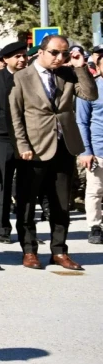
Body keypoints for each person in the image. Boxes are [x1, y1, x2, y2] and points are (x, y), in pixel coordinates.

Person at [9, 35, 98, 270]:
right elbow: (16, 115)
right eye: (55, 53)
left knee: (61, 203)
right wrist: (22, 145)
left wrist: (80, 68)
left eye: (65, 54)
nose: (60, 58)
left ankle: (59, 251)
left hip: (64, 147)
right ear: (41, 52)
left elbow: (90, 95)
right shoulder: (22, 76)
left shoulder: (68, 73)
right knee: (27, 204)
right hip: (34, 150)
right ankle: (29, 250)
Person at [0, 41, 28, 243]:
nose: (22, 60)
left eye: (24, 56)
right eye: (17, 56)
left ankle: (26, 230)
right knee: (3, 185)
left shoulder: (32, 78)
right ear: (5, 59)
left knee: (26, 186)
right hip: (2, 138)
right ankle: (3, 229)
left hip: (29, 139)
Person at [77, 71, 103, 246]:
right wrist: (86, 150)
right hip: (98, 148)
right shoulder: (91, 87)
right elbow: (82, 121)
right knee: (95, 191)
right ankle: (95, 227)